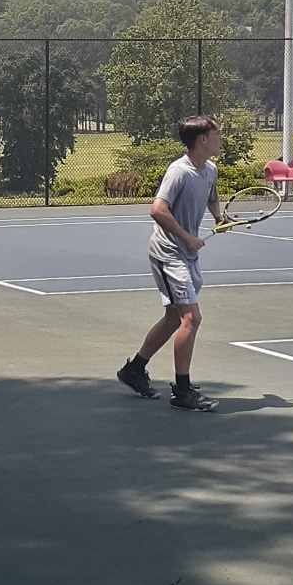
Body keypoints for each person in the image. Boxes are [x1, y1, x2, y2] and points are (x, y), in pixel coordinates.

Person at [117, 115, 224, 411]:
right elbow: (158, 210)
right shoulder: (179, 172)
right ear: (203, 139)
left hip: (186, 255)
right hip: (168, 254)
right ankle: (182, 392)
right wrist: (187, 237)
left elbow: (211, 197)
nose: (221, 139)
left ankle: (134, 370)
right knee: (192, 318)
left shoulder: (210, 170)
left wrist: (218, 216)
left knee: (174, 319)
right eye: (217, 134)